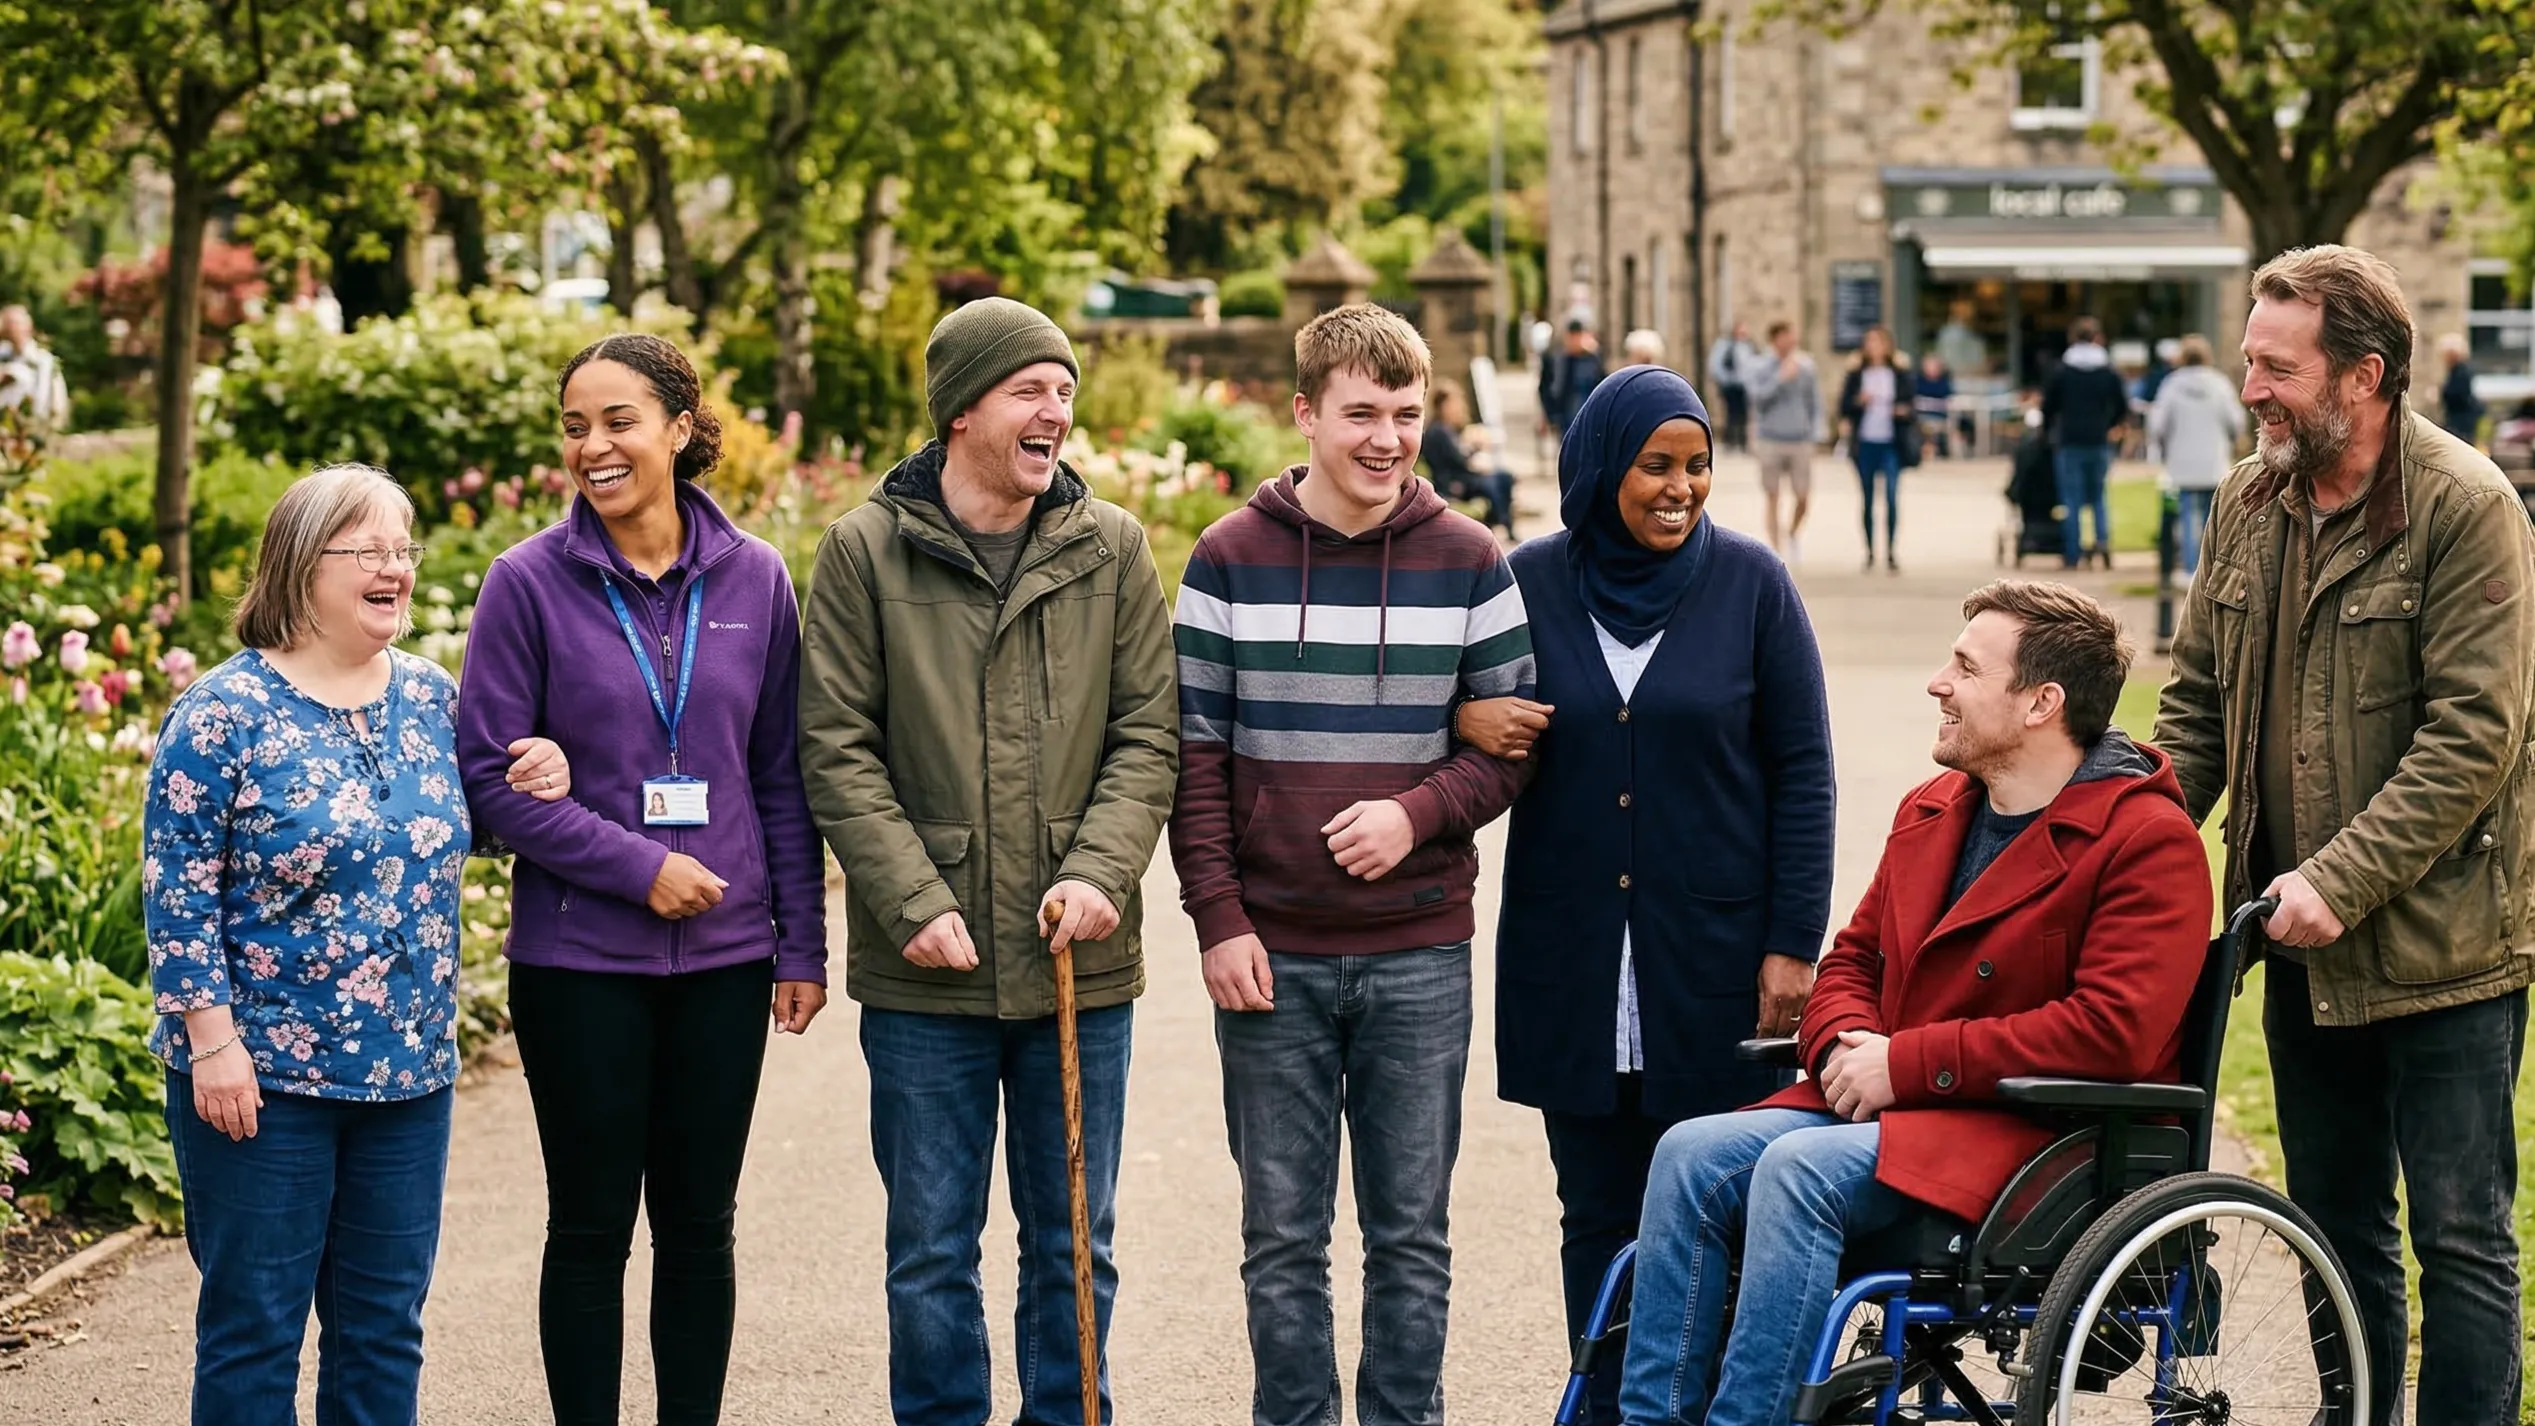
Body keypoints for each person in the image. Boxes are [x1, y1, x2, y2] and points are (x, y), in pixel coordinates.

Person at [1620, 579, 2213, 1426]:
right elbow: (1853, 958)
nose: (1937, 681)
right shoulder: (1931, 809)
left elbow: (2111, 1032)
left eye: (1965, 668)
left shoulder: (2144, 839)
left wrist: (1905, 1063)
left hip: (2044, 1134)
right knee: (1691, 1152)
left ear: (2041, 702)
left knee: (1796, 1172)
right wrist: (1842, 1044)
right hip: (1906, 1110)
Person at [2153, 244, 2535, 1426]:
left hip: (2447, 950)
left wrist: (2340, 876)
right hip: (2296, 941)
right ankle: (2358, 1408)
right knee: (2330, 1218)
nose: (2252, 388)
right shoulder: (2248, 501)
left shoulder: (2466, 504)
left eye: (2277, 367)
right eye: (2248, 362)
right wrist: (2119, 841)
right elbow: (2197, 704)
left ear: (2364, 376)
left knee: (2460, 1235)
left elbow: (2478, 736)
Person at [799, 297, 1178, 1425]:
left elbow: (1148, 733)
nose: (1055, 409)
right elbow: (836, 745)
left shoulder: (1112, 548)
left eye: (1064, 390)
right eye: (1030, 388)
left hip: (1079, 964)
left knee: (1073, 1244)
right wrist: (913, 898)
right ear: (963, 408)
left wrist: (1103, 871)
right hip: (929, 974)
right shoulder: (865, 550)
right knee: (929, 1250)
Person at [144, 463, 572, 1424]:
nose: (396, 569)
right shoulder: (220, 715)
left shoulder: (428, 695)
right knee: (255, 1331)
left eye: (402, 550)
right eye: (368, 550)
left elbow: (472, 821)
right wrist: (213, 1046)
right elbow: (176, 900)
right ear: (300, 568)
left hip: (408, 1076)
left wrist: (536, 769)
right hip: (261, 1084)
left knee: (384, 1331)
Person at [455, 334, 830, 1426]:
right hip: (578, 964)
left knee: (700, 1226)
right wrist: (641, 868)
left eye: (617, 420)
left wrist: (798, 943)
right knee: (589, 1226)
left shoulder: (756, 575)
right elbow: (491, 781)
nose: (593, 446)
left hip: (724, 964)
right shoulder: (525, 582)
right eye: (575, 425)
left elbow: (779, 773)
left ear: (678, 427)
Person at [1171, 303, 1534, 1426]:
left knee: (1410, 1237)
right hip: (1271, 953)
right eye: (1363, 413)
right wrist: (1218, 919)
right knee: (1280, 1239)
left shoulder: (1473, 560)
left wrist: (1415, 812)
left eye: (1409, 414)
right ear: (1306, 414)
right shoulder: (1226, 559)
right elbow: (1194, 762)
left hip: (1420, 951)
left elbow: (1512, 752)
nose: (1388, 438)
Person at [1453, 365, 1835, 1424]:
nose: (1682, 486)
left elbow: (1804, 768)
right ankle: (1610, 1401)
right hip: (1573, 961)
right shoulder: (1525, 582)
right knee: (1596, 1209)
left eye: (1699, 464)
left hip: (1712, 964)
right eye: (1656, 465)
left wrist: (1791, 942)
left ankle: (1705, 1405)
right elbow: (1452, 704)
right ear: (1598, 468)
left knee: (1719, 1208)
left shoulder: (1753, 585)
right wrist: (1464, 721)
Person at [2144, 333, 2245, 578]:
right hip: (2213, 461)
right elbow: (2236, 421)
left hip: (2182, 463)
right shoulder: (2219, 384)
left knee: (2187, 518)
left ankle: (2190, 570)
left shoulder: (2171, 384)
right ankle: (2212, 570)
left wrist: (2164, 446)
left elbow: (2157, 424)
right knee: (2214, 519)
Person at [2042, 316, 2128, 567]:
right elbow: (2122, 406)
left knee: (2072, 498)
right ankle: (2102, 543)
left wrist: (2049, 432)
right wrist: (2108, 423)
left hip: (2069, 440)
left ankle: (2072, 553)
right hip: (2098, 439)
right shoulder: (2108, 371)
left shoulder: (2061, 371)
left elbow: (2048, 407)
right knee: (2099, 494)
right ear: (2097, 338)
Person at [1836, 325, 1916, 573]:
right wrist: (1859, 402)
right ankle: (1870, 552)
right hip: (1866, 442)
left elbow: (1912, 405)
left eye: (1879, 342)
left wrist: (1901, 411)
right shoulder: (1857, 374)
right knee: (1868, 498)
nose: (1874, 347)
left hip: (1891, 442)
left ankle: (1891, 551)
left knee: (1891, 496)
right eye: (1870, 342)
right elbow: (1844, 406)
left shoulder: (1899, 374)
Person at [1744, 321, 1821, 558]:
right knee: (1773, 495)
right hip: (1771, 439)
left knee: (1803, 496)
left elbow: (1814, 401)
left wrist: (1816, 432)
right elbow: (1757, 399)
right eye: (1786, 337)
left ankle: (1794, 533)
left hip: (1799, 439)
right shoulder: (1760, 366)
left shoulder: (1806, 366)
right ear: (1775, 339)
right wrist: (1780, 379)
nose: (1791, 341)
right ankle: (1776, 550)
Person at [1423, 379, 1519, 539]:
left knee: (1504, 477)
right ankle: (1500, 522)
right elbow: (1458, 461)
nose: (1458, 408)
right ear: (1443, 406)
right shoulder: (1438, 431)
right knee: (1492, 484)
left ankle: (1503, 523)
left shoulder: (1448, 429)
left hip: (1463, 478)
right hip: (1453, 483)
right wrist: (1475, 448)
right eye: (1454, 404)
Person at [0, 305, 69, 428]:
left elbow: (42, 401)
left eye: (14, 324)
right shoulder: (3, 353)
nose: (10, 328)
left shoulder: (42, 359)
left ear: (27, 327)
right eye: (7, 324)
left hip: (29, 427)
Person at [1541, 319, 1608, 439]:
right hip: (1565, 418)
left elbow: (1604, 385)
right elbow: (1545, 388)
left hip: (1589, 417)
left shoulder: (1593, 359)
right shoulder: (1556, 359)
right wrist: (1550, 416)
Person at [1706, 320, 1757, 452]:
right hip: (1731, 385)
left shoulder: (1749, 346)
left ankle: (1743, 442)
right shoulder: (1726, 345)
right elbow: (1716, 365)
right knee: (1732, 413)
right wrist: (1727, 380)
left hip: (1746, 385)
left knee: (1744, 414)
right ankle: (1730, 441)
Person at [2438, 331, 2485, 446]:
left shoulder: (2462, 372)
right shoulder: (2457, 371)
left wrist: (2442, 393)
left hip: (2461, 421)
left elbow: (2459, 395)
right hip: (2458, 418)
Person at [1913, 350, 1955, 458]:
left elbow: (1949, 399)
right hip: (1920, 417)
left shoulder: (1944, 382)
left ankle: (1938, 450)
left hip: (1939, 417)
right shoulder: (1918, 381)